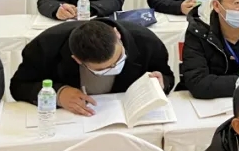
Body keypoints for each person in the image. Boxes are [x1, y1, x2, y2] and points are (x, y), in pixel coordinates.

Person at [11, 19, 174, 115]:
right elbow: (19, 86)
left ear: (117, 34)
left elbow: (167, 77)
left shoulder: (147, 42)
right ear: (77, 60)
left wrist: (162, 83)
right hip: (72, 122)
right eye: (103, 70)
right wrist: (58, 94)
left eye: (119, 59)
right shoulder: (45, 46)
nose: (114, 67)